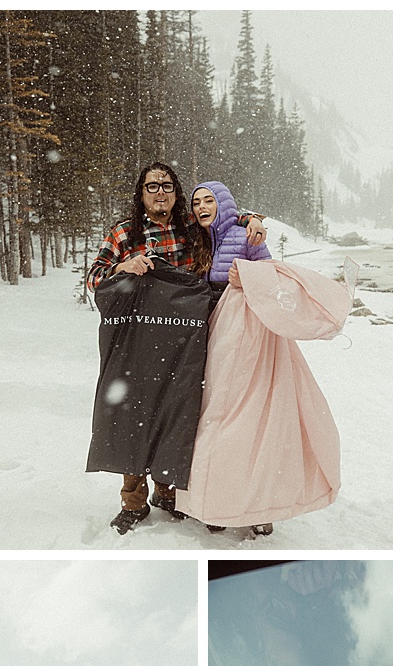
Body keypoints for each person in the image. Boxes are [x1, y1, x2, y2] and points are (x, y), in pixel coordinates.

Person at [86, 162, 267, 534]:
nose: (160, 192)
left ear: (175, 191)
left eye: (167, 185)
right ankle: (133, 502)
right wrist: (124, 265)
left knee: (178, 412)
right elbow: (93, 277)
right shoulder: (124, 232)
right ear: (141, 194)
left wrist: (251, 220)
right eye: (151, 186)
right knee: (134, 415)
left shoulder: (187, 227)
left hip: (183, 338)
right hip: (137, 340)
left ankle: (168, 493)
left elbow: (221, 218)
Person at [176, 181, 347, 539]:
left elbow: (273, 278)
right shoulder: (197, 239)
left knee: (254, 416)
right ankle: (218, 501)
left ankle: (261, 505)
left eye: (210, 200)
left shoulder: (246, 235)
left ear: (224, 204)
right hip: (209, 332)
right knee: (215, 415)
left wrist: (247, 276)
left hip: (248, 334)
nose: (202, 207)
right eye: (197, 202)